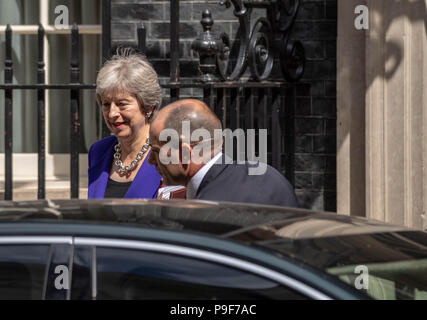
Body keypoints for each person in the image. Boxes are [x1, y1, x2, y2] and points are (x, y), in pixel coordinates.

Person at [147, 99, 299, 207]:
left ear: (185, 154)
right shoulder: (268, 175)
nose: (151, 160)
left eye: (156, 151)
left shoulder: (208, 210)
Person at [88, 48, 162, 199]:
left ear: (148, 107)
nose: (112, 113)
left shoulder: (166, 154)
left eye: (122, 104)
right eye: (106, 104)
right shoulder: (99, 152)